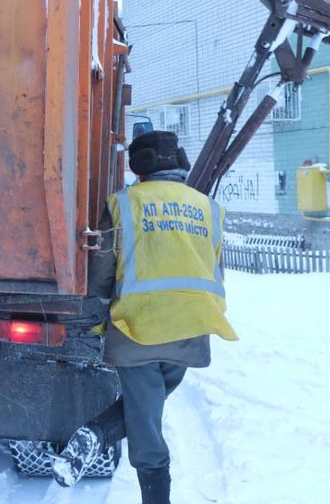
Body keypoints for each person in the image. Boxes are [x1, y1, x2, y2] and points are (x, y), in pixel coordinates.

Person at [51, 130, 238, 504]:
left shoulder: (124, 204)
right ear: (179, 164)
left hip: (137, 327)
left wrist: (97, 309)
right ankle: (100, 433)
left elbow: (102, 273)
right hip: (192, 328)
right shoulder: (209, 207)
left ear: (139, 168)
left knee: (145, 416)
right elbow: (215, 267)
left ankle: (108, 446)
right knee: (147, 403)